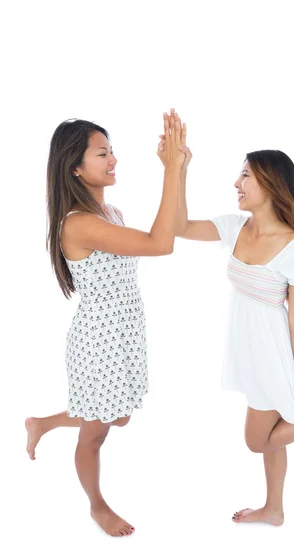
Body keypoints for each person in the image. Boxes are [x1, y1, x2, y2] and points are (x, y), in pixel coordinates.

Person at [158, 113, 294, 526]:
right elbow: (178, 226)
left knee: (257, 442)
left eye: (245, 176)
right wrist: (179, 170)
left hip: (273, 354)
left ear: (271, 184)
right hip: (246, 347)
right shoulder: (235, 227)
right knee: (271, 441)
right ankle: (274, 508)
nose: (236, 184)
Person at [25, 110, 186, 537]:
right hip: (99, 344)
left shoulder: (110, 212)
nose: (113, 159)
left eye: (111, 151)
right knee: (95, 435)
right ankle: (97, 506)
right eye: (102, 153)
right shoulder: (79, 225)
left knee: (119, 418)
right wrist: (170, 169)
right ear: (75, 167)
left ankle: (42, 422)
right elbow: (160, 244)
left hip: (124, 335)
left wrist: (179, 168)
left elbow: (163, 233)